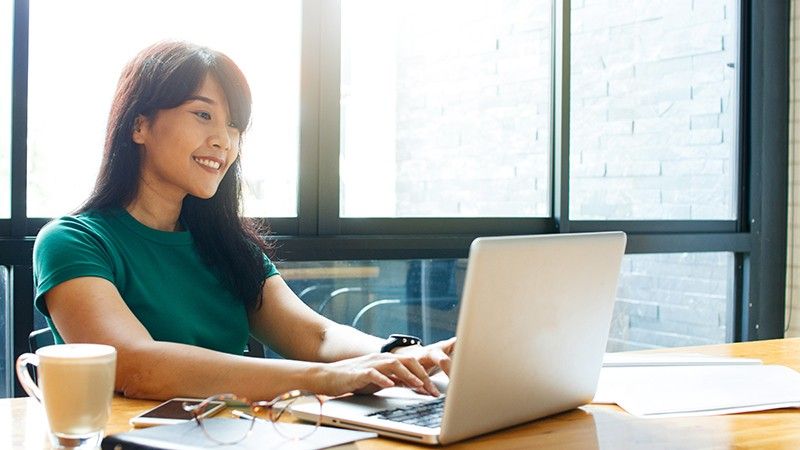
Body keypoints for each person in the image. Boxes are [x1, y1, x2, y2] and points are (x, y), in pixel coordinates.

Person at [32, 41, 455, 401]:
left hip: (234, 433)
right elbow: (136, 365)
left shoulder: (228, 247)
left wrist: (398, 355)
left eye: (235, 127)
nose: (224, 140)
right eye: (203, 115)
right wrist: (322, 378)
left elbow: (318, 337)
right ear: (139, 124)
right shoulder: (72, 241)